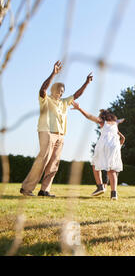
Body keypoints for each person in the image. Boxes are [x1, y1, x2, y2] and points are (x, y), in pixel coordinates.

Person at [20, 61, 93, 197]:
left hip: (60, 135)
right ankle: (26, 188)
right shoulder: (45, 99)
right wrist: (54, 73)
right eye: (59, 91)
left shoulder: (64, 102)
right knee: (43, 159)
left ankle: (44, 190)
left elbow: (76, 95)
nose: (60, 93)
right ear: (52, 90)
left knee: (54, 163)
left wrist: (86, 83)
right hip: (46, 132)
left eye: (62, 92)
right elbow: (42, 89)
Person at [71, 101, 124, 200]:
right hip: (115, 146)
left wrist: (79, 109)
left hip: (104, 144)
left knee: (95, 165)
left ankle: (100, 187)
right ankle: (114, 193)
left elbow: (90, 116)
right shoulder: (115, 123)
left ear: (103, 117)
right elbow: (120, 120)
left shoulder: (102, 121)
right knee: (111, 169)